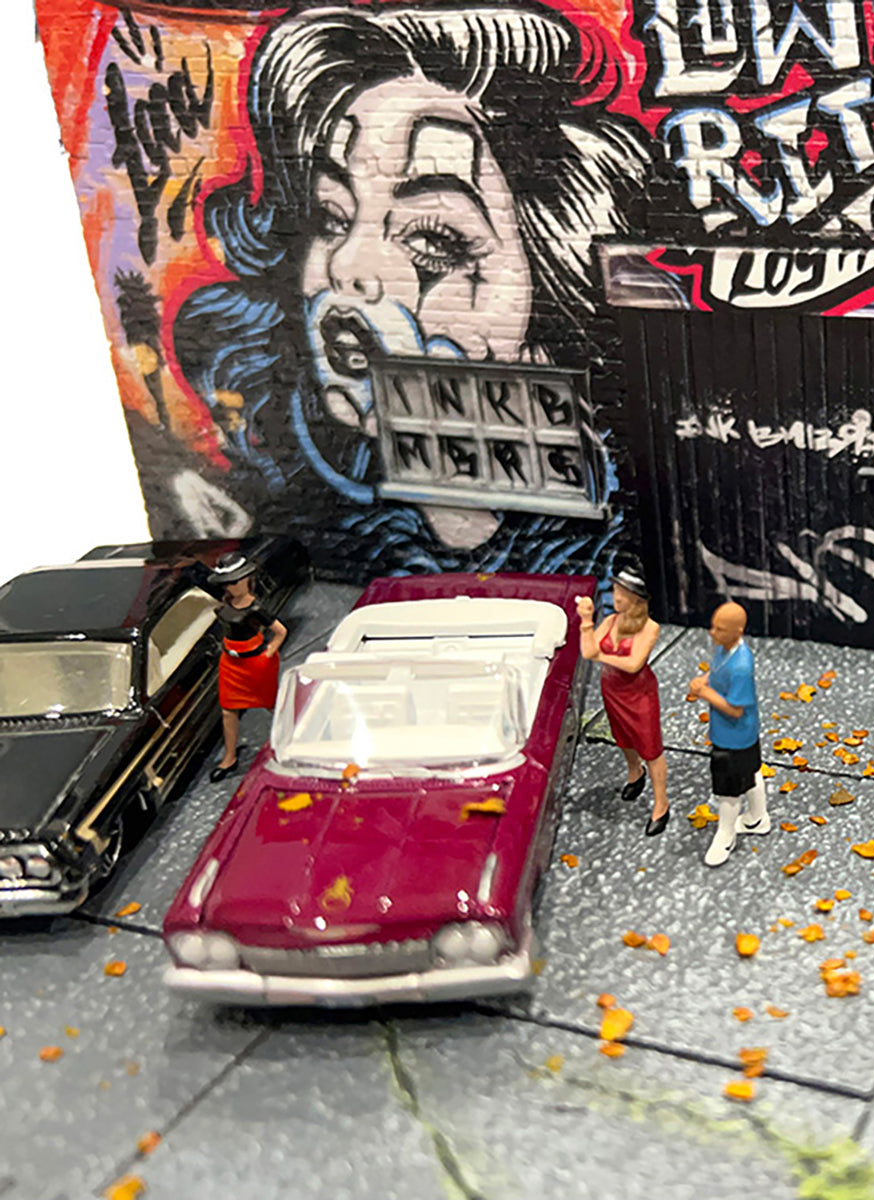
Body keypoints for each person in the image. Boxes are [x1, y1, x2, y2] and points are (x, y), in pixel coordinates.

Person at [171, 4, 649, 576]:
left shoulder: (618, 555)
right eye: (331, 218)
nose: (346, 266)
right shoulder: (316, 531)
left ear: (548, 301)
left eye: (433, 240)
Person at [575, 562, 669, 836]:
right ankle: (634, 772)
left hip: (639, 694)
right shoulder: (610, 622)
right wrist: (586, 621)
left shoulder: (649, 627)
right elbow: (587, 650)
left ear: (637, 598)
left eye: (622, 593)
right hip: (612, 690)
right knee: (623, 737)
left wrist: (601, 656)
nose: (616, 597)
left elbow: (634, 664)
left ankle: (661, 803)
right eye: (616, 590)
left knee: (651, 748)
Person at [689, 602, 767, 867]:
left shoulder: (741, 666)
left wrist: (705, 692)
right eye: (713, 627)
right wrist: (706, 679)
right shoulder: (726, 650)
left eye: (720, 629)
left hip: (733, 735)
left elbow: (735, 709)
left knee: (728, 790)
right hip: (742, 733)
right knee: (752, 770)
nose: (713, 633)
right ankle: (757, 817)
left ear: (738, 631)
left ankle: (726, 835)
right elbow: (717, 672)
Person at [208, 553, 287, 782]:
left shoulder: (256, 608)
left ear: (246, 579)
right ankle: (229, 757)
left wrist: (268, 653)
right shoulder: (225, 604)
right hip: (230, 663)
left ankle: (290, 740)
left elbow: (281, 631)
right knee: (228, 710)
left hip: (255, 664)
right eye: (227, 583)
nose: (231, 587)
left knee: (272, 704)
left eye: (234, 582)